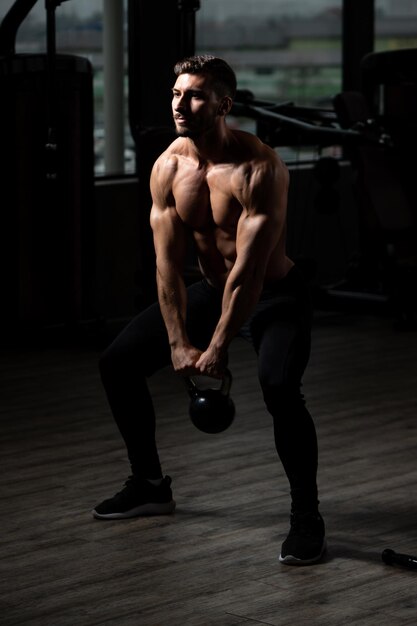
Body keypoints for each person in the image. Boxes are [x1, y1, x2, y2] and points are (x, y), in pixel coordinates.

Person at [93, 55, 325, 566]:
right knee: (118, 363)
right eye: (176, 94)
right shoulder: (168, 167)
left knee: (280, 387)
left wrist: (218, 346)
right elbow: (167, 268)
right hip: (210, 289)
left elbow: (249, 273)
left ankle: (307, 519)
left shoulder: (260, 168)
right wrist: (177, 341)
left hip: (273, 295)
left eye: (195, 95)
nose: (181, 104)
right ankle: (150, 484)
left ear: (224, 103)